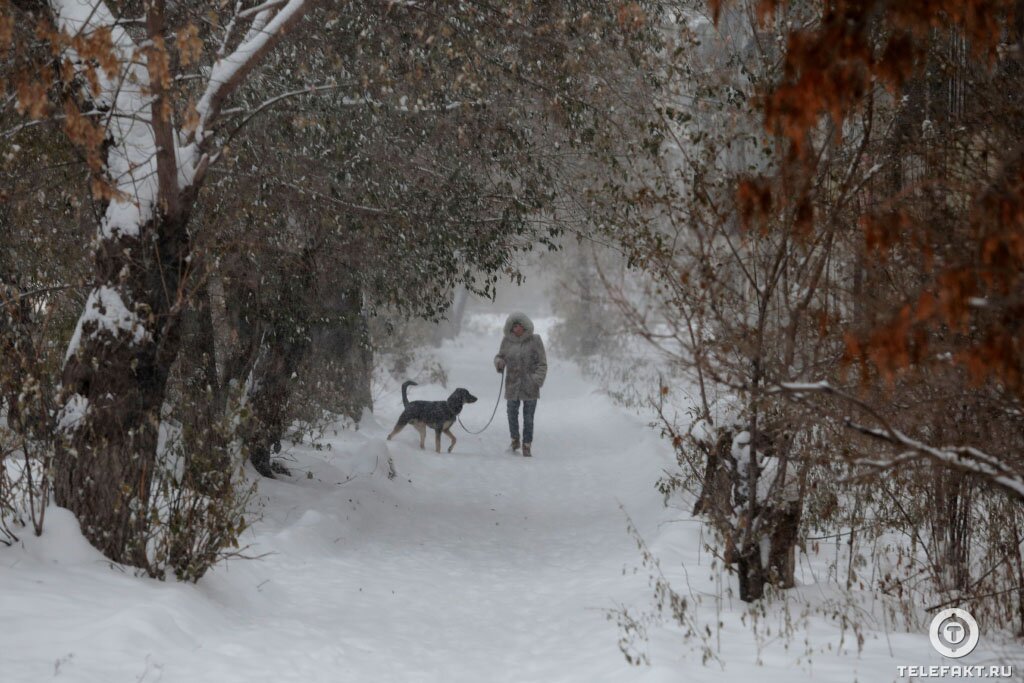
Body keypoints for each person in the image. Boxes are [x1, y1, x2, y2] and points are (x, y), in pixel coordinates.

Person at [493, 312, 547, 457]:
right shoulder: (507, 341)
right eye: (513, 326)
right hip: (512, 384)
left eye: (518, 326)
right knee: (511, 413)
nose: (515, 329)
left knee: (528, 417)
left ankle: (527, 444)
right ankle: (515, 439)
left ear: (524, 327)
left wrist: (536, 380)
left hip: (530, 385)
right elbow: (500, 355)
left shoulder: (535, 340)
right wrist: (499, 362)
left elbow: (542, 363)